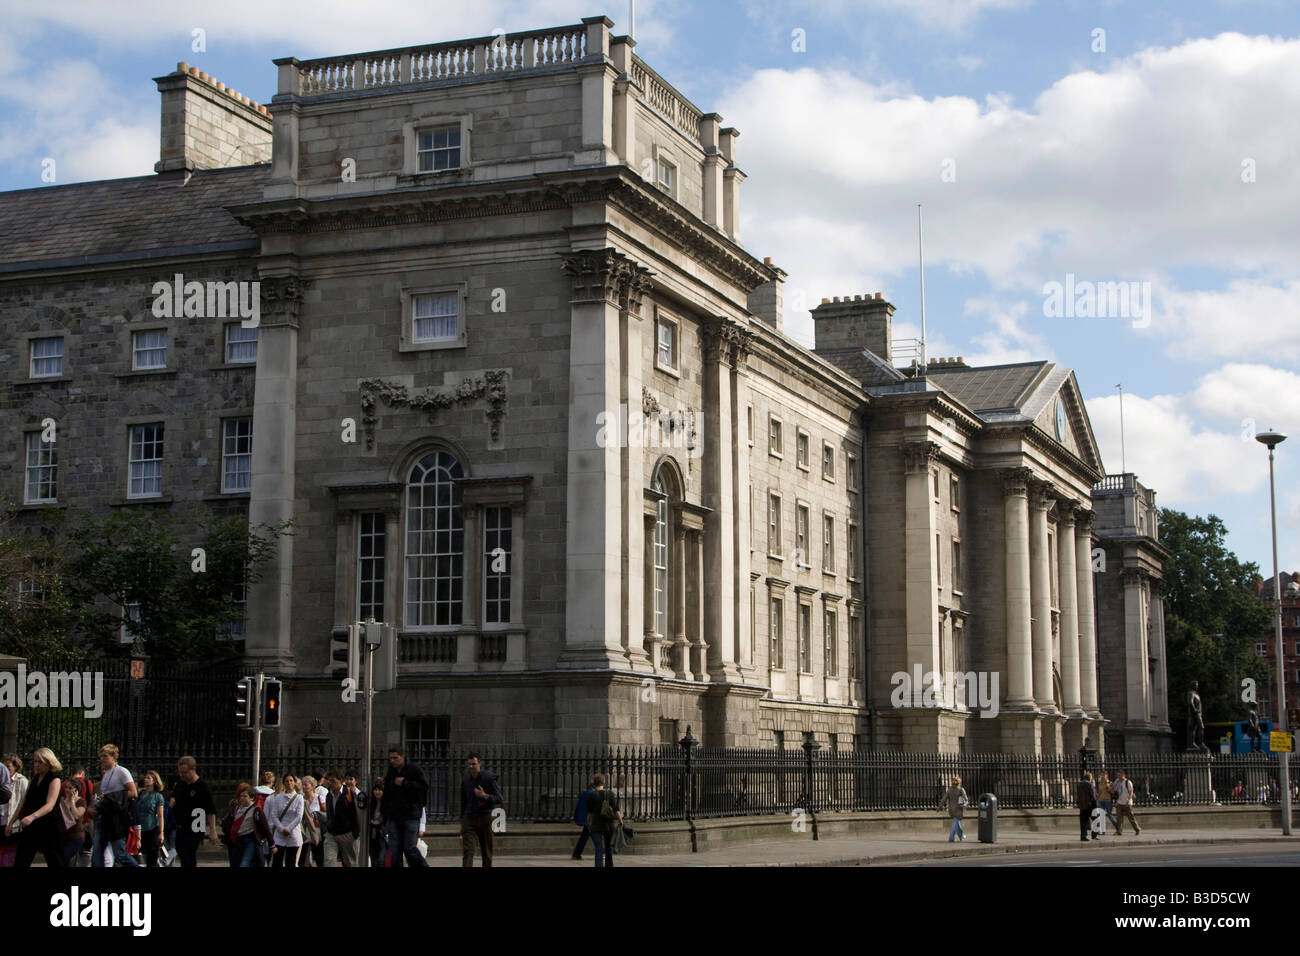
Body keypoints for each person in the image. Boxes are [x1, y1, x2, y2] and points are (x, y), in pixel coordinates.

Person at [9, 747, 65, 867]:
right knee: (21, 860)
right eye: (35, 761)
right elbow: (23, 802)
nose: (36, 765)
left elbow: (50, 805)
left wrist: (32, 817)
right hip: (31, 827)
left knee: (55, 861)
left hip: (49, 826)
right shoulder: (34, 779)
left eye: (40, 762)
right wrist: (11, 822)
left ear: (49, 762)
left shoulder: (55, 779)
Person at [90, 744, 141, 867]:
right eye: (101, 756)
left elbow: (133, 793)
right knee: (97, 849)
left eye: (105, 756)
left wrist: (112, 797)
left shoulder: (122, 771)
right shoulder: (106, 773)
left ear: (114, 756)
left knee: (120, 854)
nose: (102, 759)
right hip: (105, 815)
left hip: (117, 817)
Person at [381, 747, 428, 867]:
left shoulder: (414, 769)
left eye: (395, 758)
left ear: (403, 757)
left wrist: (405, 783)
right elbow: (387, 792)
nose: (392, 761)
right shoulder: (391, 771)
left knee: (409, 848)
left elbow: (423, 787)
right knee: (395, 851)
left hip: (410, 815)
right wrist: (385, 814)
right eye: (390, 758)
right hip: (394, 815)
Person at [170, 756, 219, 867]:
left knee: (188, 854)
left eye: (185, 772)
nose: (182, 775)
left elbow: (211, 810)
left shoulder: (202, 786)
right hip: (180, 825)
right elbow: (174, 800)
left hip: (196, 824)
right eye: (180, 772)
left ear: (193, 769)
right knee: (182, 853)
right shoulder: (180, 785)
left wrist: (212, 830)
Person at [460, 753, 504, 868]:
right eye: (469, 764)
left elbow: (499, 798)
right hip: (469, 817)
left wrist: (485, 796)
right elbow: (463, 802)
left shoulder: (488, 778)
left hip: (485, 817)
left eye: (473, 764)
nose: (471, 767)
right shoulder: (465, 780)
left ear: (480, 764)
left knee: (486, 851)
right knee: (468, 850)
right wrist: (462, 821)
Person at [221, 783, 271, 867]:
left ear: (252, 798)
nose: (242, 798)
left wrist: (272, 844)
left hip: (250, 840)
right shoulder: (235, 806)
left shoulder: (256, 809)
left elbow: (265, 827)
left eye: (245, 796)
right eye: (241, 796)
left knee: (244, 863)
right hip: (236, 839)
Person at [265, 774, 304, 867]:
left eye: (291, 780)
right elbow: (274, 815)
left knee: (291, 861)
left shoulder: (299, 798)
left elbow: (299, 816)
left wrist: (289, 829)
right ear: (283, 783)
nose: (289, 783)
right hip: (279, 834)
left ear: (294, 783)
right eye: (287, 781)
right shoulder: (278, 798)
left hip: (293, 833)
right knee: (277, 861)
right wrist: (282, 829)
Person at [323, 771, 360, 867]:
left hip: (347, 833)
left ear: (340, 781)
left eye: (333, 781)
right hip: (331, 833)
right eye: (329, 781)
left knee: (351, 863)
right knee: (329, 860)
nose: (331, 784)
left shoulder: (349, 794)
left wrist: (355, 833)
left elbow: (355, 813)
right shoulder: (329, 795)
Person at [585, 772, 622, 867]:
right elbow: (616, 810)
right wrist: (620, 821)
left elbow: (589, 813)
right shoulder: (610, 794)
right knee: (608, 847)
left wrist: (588, 823)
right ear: (603, 782)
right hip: (608, 825)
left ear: (595, 782)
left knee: (598, 848)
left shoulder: (592, 795)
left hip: (596, 825)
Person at [136, 771, 167, 867]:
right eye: (145, 778)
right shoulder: (140, 794)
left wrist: (161, 832)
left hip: (151, 828)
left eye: (149, 778)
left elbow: (160, 815)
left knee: (151, 858)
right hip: (140, 829)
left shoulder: (158, 796)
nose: (146, 779)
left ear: (154, 781)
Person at [59, 773, 88, 867]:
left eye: (70, 788)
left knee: (66, 857)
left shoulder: (81, 802)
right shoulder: (61, 801)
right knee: (62, 860)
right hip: (62, 836)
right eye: (66, 787)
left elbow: (77, 815)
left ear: (76, 790)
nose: (67, 790)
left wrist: (72, 802)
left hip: (76, 836)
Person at [299, 775, 321, 867]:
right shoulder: (300, 799)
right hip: (304, 831)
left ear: (312, 786)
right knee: (303, 857)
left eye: (306, 785)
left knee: (319, 856)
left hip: (317, 830)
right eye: (302, 785)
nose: (303, 787)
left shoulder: (319, 798)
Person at [572, 777, 595, 862]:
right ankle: (602, 851)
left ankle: (576, 854)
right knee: (595, 836)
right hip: (590, 819)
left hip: (586, 818)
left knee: (585, 836)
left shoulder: (585, 793)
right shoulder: (593, 793)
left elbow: (579, 806)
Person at [1114, 769, 1143, 836]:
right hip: (1119, 802)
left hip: (1127, 803)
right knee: (1119, 818)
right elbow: (1114, 790)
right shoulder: (1117, 782)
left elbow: (1131, 792)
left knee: (1131, 817)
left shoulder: (1128, 782)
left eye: (1119, 775)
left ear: (1123, 775)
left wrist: (1128, 800)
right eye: (1117, 775)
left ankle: (1137, 829)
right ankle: (1119, 831)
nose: (1118, 777)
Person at [940, 775, 968, 843]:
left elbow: (944, 799)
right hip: (958, 809)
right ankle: (951, 838)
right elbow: (966, 799)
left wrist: (940, 806)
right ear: (959, 782)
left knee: (956, 823)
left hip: (951, 809)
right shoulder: (961, 790)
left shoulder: (949, 790)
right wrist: (965, 804)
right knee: (954, 824)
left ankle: (961, 836)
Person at [368, 777, 387, 867]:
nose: (377, 792)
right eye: (375, 789)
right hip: (372, 833)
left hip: (382, 834)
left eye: (379, 790)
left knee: (381, 859)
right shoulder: (372, 803)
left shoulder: (386, 804)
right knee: (374, 859)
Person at [1076, 770, 1099, 841]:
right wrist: (1095, 806)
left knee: (1083, 821)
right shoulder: (1089, 784)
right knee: (1096, 820)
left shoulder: (1079, 784)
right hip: (1090, 805)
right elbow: (1093, 796)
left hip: (1082, 805)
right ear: (1090, 778)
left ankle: (1083, 836)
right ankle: (1094, 835)